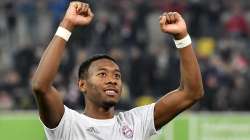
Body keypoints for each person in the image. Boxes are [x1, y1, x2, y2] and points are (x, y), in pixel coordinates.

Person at [31, 1, 204, 140]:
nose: (112, 79)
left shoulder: (136, 123)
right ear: (82, 84)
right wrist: (67, 24)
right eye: (102, 74)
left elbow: (191, 93)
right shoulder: (67, 124)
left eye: (117, 75)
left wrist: (182, 37)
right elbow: (41, 86)